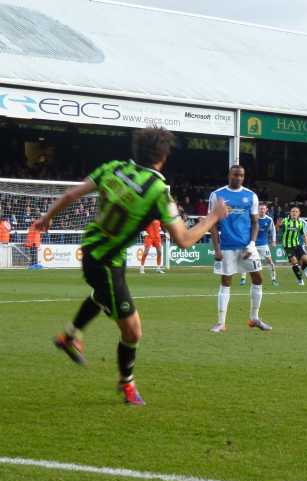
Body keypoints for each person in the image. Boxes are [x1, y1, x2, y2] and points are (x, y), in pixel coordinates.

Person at [35, 127, 227, 405]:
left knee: (101, 296)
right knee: (133, 331)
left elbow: (71, 195)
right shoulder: (158, 191)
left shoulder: (114, 168)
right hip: (106, 263)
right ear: (163, 156)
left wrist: (47, 218)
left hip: (93, 251)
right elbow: (184, 240)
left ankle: (69, 336)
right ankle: (127, 385)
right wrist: (213, 217)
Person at [208, 165, 271, 333]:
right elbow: (212, 224)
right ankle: (221, 323)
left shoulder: (251, 196)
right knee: (226, 281)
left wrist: (252, 244)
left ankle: (254, 318)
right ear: (229, 175)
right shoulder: (217, 195)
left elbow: (255, 222)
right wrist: (217, 248)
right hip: (227, 246)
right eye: (236, 174)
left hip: (247, 246)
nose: (239, 178)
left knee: (258, 278)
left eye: (241, 175)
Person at [240, 202, 278, 286]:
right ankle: (243, 278)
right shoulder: (252, 218)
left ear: (266, 210)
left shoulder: (269, 219)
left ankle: (274, 278)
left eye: (263, 209)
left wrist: (274, 240)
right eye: (260, 209)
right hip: (252, 243)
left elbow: (273, 230)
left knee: (270, 261)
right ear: (257, 209)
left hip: (263, 244)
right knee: (245, 259)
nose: (262, 210)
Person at [279, 206, 307, 286]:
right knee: (294, 262)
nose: (294, 213)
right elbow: (278, 230)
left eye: (296, 211)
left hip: (297, 245)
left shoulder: (300, 223)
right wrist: (278, 225)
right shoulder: (285, 221)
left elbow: (304, 235)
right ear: (290, 213)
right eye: (293, 211)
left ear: (299, 213)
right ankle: (300, 280)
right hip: (288, 246)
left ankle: (302, 269)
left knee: (306, 260)